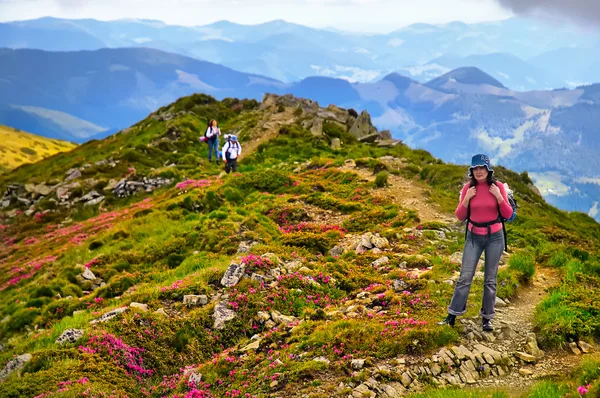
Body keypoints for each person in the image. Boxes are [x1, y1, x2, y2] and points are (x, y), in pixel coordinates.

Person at [438, 154, 513, 332]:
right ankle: (452, 316)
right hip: (473, 237)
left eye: (482, 168)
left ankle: (487, 318)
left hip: (495, 237)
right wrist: (466, 199)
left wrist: (499, 197)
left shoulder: (498, 187)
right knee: (465, 277)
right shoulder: (467, 189)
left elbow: (508, 214)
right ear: (472, 171)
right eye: (475, 169)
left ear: (488, 170)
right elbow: (459, 216)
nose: (479, 171)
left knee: (490, 279)